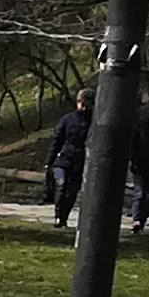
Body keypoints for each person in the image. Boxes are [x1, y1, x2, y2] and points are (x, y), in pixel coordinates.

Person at [45, 93, 91, 229]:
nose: (83, 107)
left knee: (72, 191)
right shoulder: (67, 119)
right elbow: (57, 140)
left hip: (79, 161)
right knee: (61, 184)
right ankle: (58, 215)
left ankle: (64, 217)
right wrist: (49, 160)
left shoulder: (92, 121)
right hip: (62, 160)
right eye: (81, 103)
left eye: (86, 104)